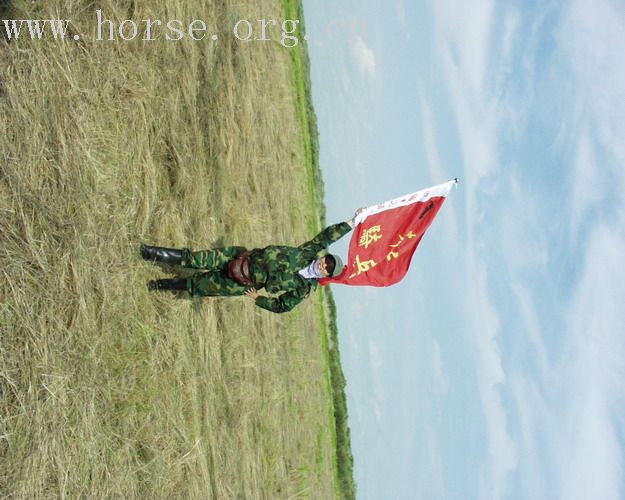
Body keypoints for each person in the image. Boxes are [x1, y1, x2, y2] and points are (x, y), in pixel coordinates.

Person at [140, 210, 362, 313]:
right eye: (327, 261)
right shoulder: (307, 253)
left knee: (197, 285)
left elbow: (283, 306)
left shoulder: (303, 289)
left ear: (326, 276)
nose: (324, 265)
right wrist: (351, 223)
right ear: (323, 257)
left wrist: (259, 299)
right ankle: (151, 253)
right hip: (241, 257)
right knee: (196, 258)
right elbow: (326, 236)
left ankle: (157, 285)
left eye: (328, 269)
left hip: (242, 284)